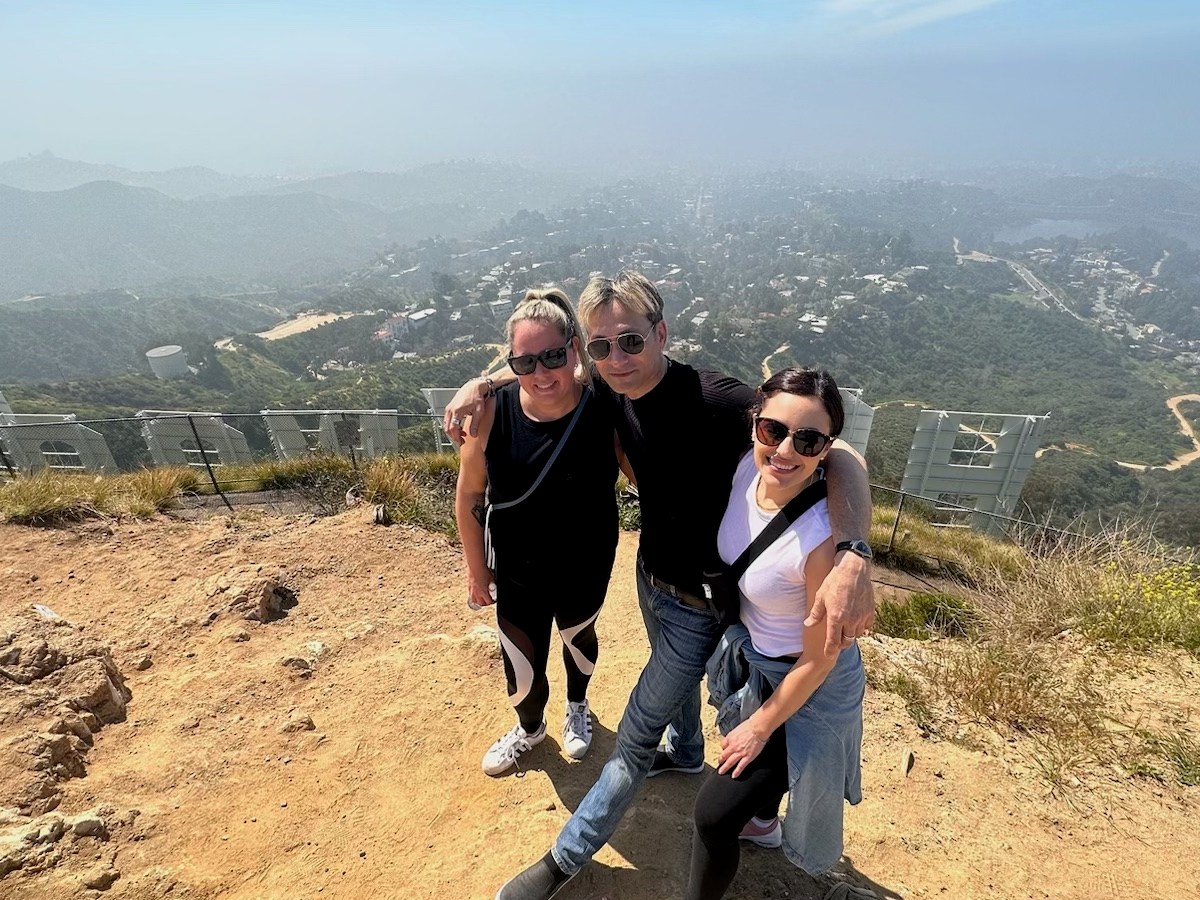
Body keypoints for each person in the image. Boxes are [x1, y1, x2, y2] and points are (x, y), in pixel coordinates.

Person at [443, 271, 874, 900]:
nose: (617, 358)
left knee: (636, 732)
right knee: (675, 698)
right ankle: (691, 749)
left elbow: (836, 453)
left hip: (711, 604)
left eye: (631, 341)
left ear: (661, 332)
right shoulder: (606, 389)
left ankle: (563, 859)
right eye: (601, 346)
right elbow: (541, 369)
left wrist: (855, 554)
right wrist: (479, 383)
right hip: (655, 580)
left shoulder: (720, 402)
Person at [686, 368, 866, 900]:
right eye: (773, 431)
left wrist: (759, 728)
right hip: (761, 665)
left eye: (807, 440)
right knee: (747, 796)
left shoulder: (818, 541)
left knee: (713, 816)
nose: (786, 450)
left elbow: (819, 661)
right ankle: (762, 820)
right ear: (754, 428)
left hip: (807, 686)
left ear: (826, 449)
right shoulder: (747, 469)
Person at [454, 287, 619, 777]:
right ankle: (529, 729)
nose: (541, 374)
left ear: (574, 347)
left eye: (552, 356)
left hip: (586, 560)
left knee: (578, 637)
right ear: (512, 363)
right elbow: (467, 499)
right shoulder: (491, 413)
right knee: (520, 656)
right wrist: (476, 572)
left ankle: (577, 705)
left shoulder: (602, 404)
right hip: (518, 566)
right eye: (525, 363)